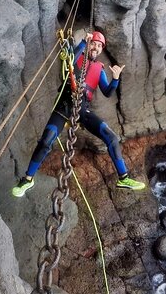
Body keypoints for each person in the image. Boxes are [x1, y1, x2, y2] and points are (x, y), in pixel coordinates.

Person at [12, 31, 146, 197]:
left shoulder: (99, 69)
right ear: (89, 45)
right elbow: (69, 60)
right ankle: (27, 179)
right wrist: (84, 42)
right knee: (46, 141)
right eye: (94, 44)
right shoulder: (77, 56)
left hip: (82, 109)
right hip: (64, 105)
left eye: (99, 46)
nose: (96, 47)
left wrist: (116, 78)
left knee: (111, 138)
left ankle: (123, 178)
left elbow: (107, 92)